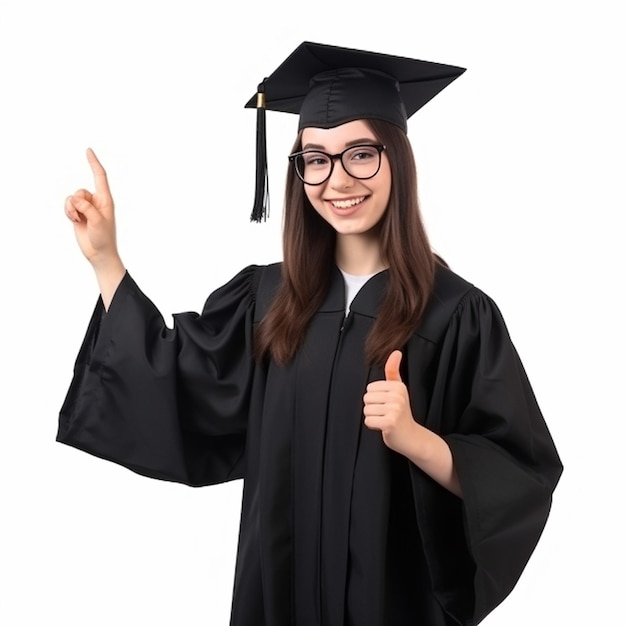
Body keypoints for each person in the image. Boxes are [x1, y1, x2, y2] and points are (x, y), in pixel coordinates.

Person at [58, 42, 563, 626]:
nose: (336, 179)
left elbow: (519, 476)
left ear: (397, 156)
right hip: (278, 599)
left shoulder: (457, 315)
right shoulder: (266, 301)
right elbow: (174, 377)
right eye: (315, 159)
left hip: (392, 604)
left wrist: (413, 436)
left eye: (360, 154)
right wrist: (105, 260)